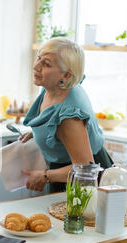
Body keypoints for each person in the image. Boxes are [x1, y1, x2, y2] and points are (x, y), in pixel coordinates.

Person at [20, 37, 113, 193]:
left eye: (46, 64)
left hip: (81, 182)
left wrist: (45, 175)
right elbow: (53, 123)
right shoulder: (56, 85)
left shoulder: (69, 117)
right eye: (39, 58)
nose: (36, 66)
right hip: (69, 173)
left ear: (67, 75)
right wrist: (41, 133)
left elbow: (86, 169)